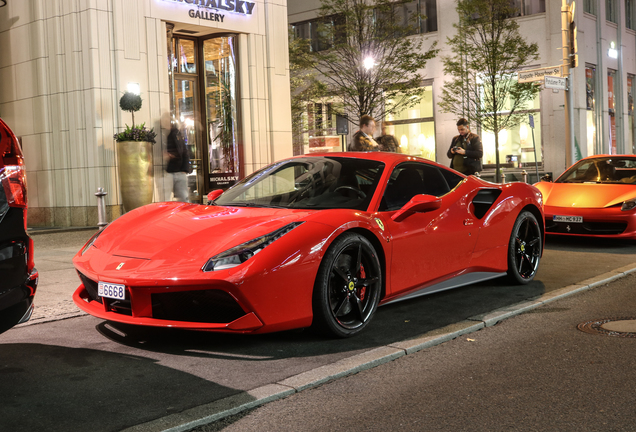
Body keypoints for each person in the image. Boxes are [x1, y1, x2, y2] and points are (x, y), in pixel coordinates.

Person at [166, 121, 190, 202]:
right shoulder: (174, 134)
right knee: (168, 198)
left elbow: (183, 152)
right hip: (171, 171)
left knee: (183, 198)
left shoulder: (176, 134)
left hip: (177, 171)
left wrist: (184, 169)